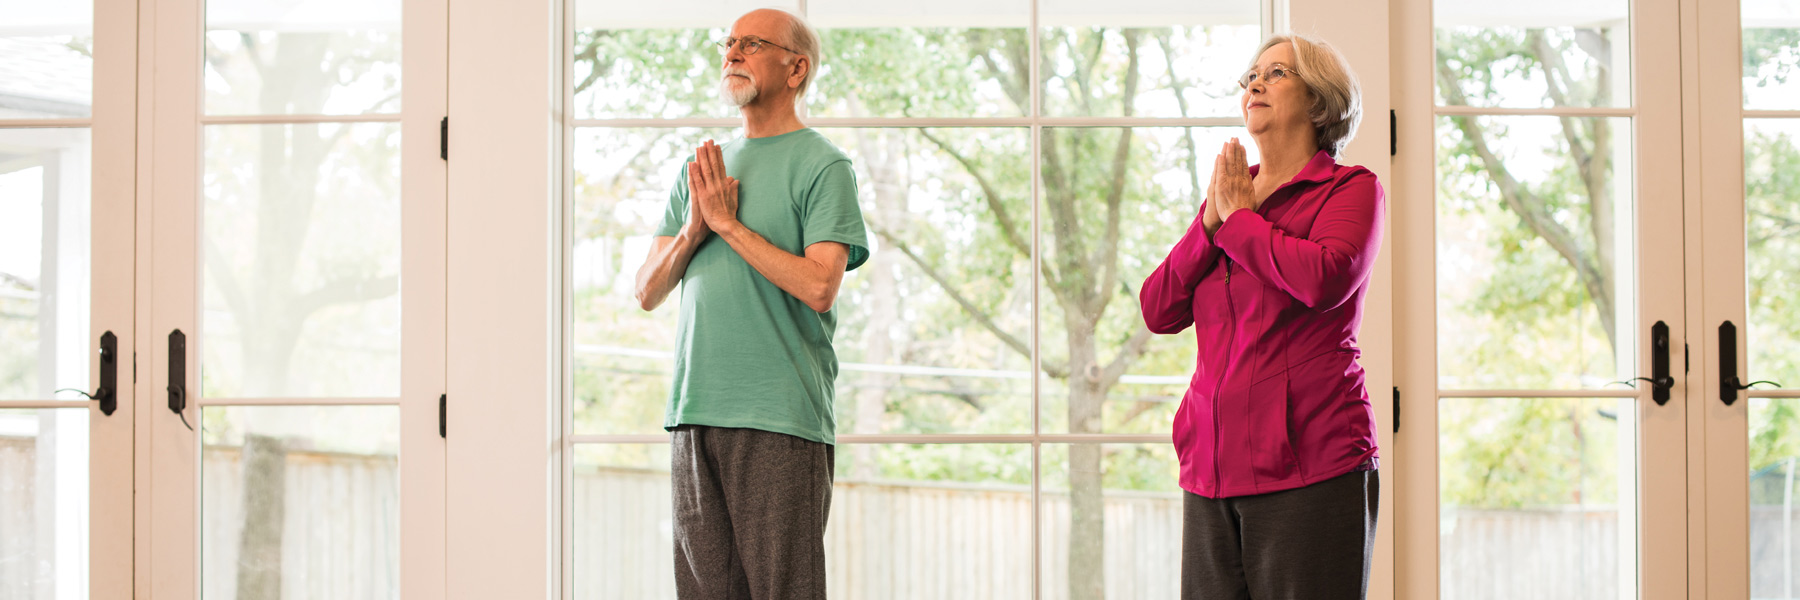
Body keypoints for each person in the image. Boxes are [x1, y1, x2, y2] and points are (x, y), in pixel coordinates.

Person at [631, 8, 868, 600]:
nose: (732, 53)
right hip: (694, 412)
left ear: (796, 69)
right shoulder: (701, 170)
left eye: (752, 43)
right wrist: (693, 230)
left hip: (779, 417)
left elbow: (820, 286)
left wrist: (730, 227)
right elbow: (647, 291)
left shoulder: (824, 166)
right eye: (729, 43)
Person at [1138, 33, 1384, 600]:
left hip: (1312, 464)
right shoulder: (1227, 197)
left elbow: (1323, 280)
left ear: (1320, 100)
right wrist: (1209, 225)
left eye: (1277, 73)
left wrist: (1239, 222)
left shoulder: (1351, 190)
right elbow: (1158, 309)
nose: (1255, 83)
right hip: (1210, 467)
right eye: (1251, 75)